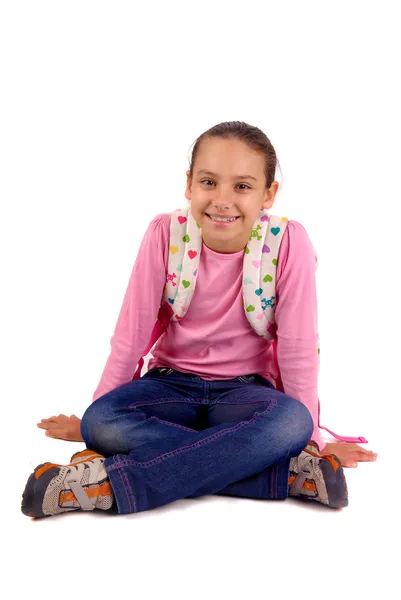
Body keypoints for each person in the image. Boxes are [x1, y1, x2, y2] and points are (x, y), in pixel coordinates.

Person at [22, 121, 377, 519]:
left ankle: (108, 483)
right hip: (169, 385)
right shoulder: (164, 232)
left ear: (268, 194)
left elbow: (298, 349)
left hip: (245, 393)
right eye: (209, 182)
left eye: (242, 186)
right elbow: (131, 335)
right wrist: (95, 425)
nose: (222, 200)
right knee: (102, 420)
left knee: (290, 423)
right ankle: (279, 474)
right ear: (189, 184)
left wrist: (310, 439)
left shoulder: (288, 242)